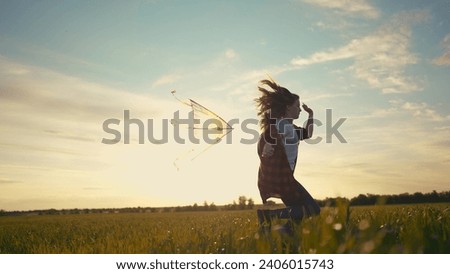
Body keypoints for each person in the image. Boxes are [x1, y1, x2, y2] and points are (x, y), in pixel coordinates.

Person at [255, 78, 320, 230]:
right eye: (297, 106)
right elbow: (267, 137)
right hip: (283, 180)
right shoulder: (281, 125)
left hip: (285, 178)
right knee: (313, 209)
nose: (299, 109)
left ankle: (277, 234)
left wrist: (311, 116)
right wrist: (266, 149)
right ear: (287, 107)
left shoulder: (291, 128)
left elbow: (308, 134)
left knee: (298, 214)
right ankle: (268, 216)